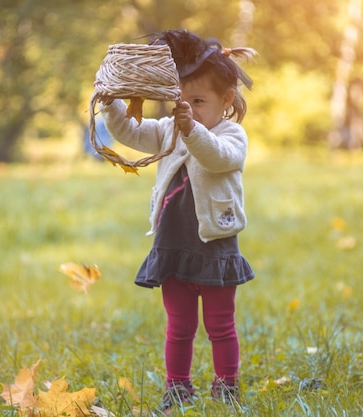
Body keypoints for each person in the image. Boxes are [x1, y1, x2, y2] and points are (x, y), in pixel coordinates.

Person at [98, 29, 256, 414]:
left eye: (199, 101)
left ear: (226, 100)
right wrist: (110, 104)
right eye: (181, 101)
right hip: (173, 243)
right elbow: (129, 132)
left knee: (220, 325)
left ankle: (226, 386)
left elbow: (216, 156)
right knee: (179, 326)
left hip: (214, 244)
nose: (187, 109)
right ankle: (178, 388)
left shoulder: (232, 135)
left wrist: (192, 128)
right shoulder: (170, 130)